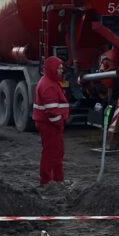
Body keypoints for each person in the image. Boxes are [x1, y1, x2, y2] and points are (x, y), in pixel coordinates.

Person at [33, 55, 71, 186]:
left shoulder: (50, 81)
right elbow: (51, 110)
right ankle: (46, 181)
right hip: (49, 125)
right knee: (51, 153)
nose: (61, 71)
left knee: (57, 152)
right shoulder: (48, 86)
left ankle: (57, 179)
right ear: (52, 69)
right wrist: (59, 122)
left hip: (50, 124)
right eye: (59, 68)